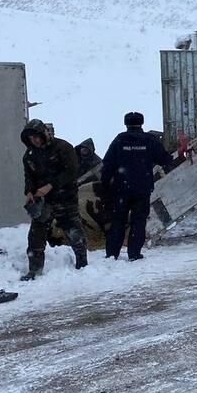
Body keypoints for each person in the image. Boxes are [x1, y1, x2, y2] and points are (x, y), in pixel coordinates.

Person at [101, 112, 173, 261]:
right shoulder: (149, 140)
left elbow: (107, 164)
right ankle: (134, 253)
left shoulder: (120, 139)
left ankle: (112, 254)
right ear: (142, 123)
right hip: (142, 188)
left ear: (126, 124)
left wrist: (106, 184)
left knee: (118, 221)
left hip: (121, 189)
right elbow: (164, 160)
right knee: (138, 221)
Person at [21, 119, 87, 280]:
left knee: (73, 230)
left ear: (44, 134)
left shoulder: (63, 148)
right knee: (36, 235)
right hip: (43, 201)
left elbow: (71, 172)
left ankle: (82, 262)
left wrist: (51, 185)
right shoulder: (29, 155)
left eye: (36, 137)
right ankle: (34, 270)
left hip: (65, 197)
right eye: (30, 138)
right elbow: (29, 176)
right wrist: (29, 191)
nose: (34, 141)